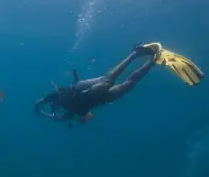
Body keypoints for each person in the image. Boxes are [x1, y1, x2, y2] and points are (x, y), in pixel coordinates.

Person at [35, 42, 204, 128]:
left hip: (84, 90)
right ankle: (153, 60)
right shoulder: (65, 114)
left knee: (108, 80)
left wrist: (39, 107)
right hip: (96, 100)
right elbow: (55, 117)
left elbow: (43, 102)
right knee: (125, 86)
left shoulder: (56, 98)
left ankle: (136, 54)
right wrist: (42, 114)